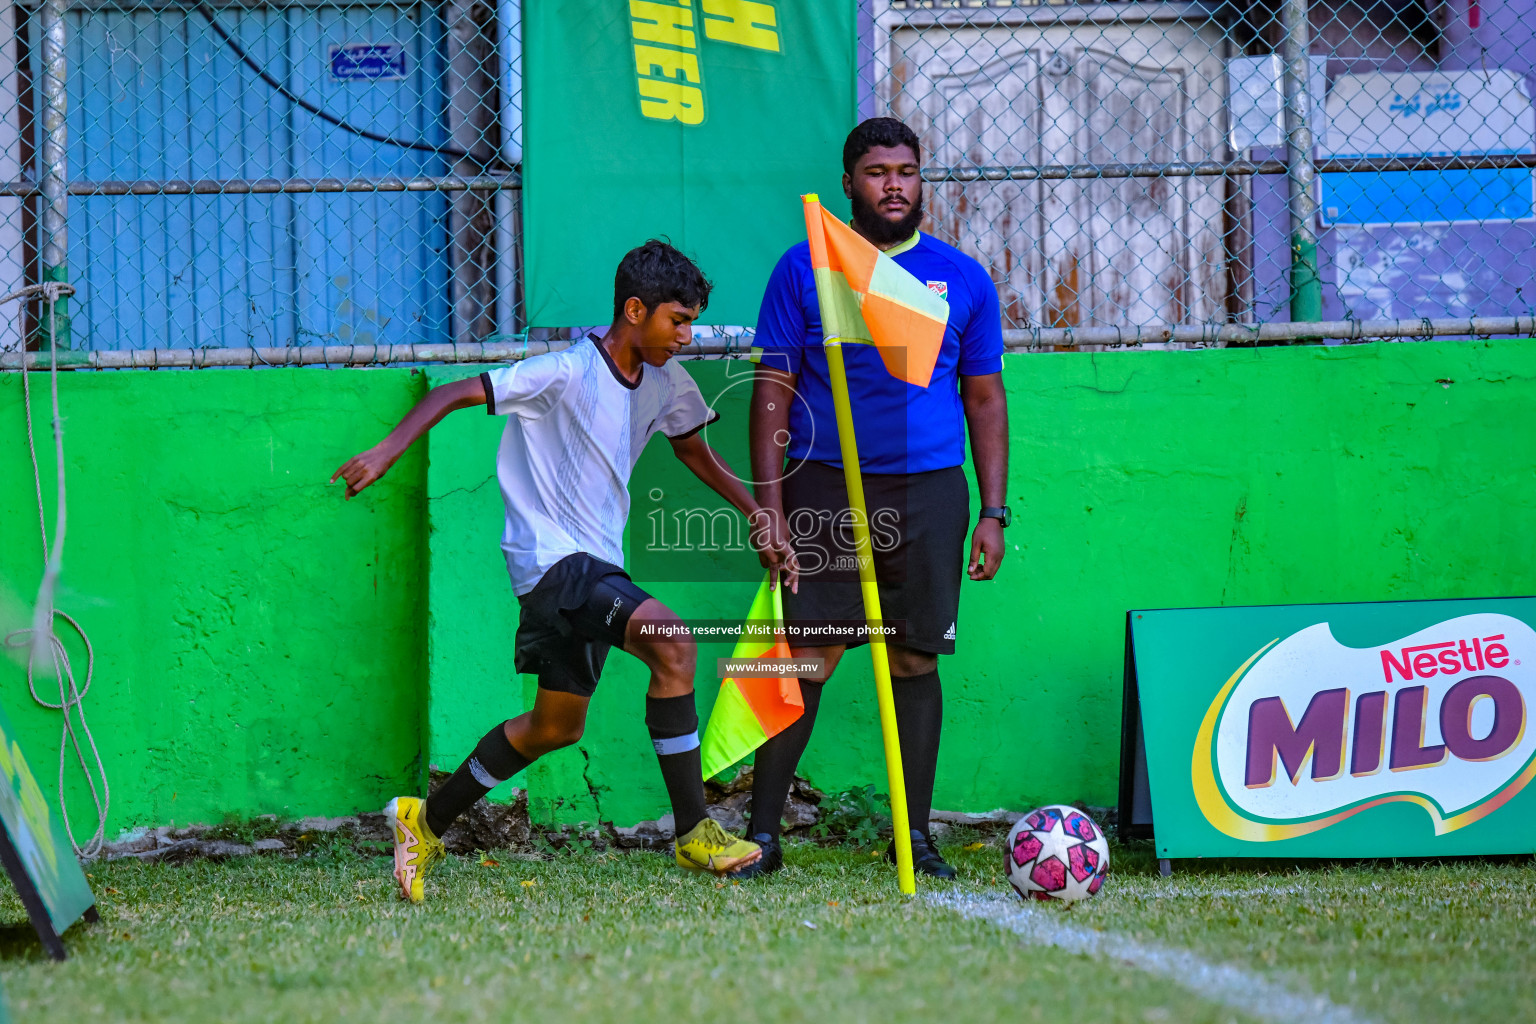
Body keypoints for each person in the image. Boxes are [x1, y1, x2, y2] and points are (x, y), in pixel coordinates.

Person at [333, 240, 793, 902]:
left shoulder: (666, 381)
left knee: (554, 727)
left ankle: (424, 821)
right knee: (673, 644)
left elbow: (696, 453)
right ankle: (694, 830)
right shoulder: (566, 371)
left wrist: (757, 513)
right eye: (676, 321)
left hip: (596, 568)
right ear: (635, 310)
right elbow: (461, 391)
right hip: (553, 564)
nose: (686, 336)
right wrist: (387, 449)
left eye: (692, 322)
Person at [739, 117, 1010, 879]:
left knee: (914, 661)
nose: (894, 185)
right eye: (877, 172)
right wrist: (770, 508)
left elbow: (985, 400)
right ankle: (762, 836)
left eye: (907, 170)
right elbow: (771, 394)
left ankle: (913, 838)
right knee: (806, 660)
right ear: (849, 182)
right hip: (827, 486)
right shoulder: (805, 269)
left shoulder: (963, 278)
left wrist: (992, 511)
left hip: (929, 493)